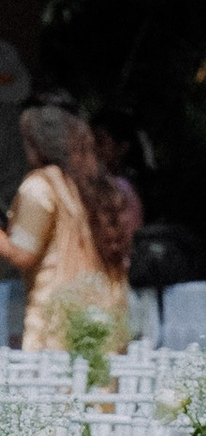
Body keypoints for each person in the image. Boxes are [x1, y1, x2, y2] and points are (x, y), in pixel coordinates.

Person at [0, 96, 134, 353]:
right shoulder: (92, 184)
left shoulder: (41, 186)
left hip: (57, 326)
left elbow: (22, 253)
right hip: (104, 323)